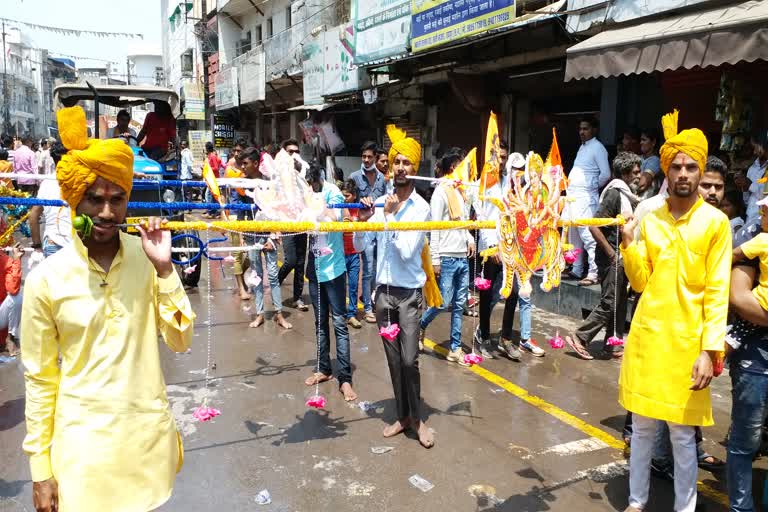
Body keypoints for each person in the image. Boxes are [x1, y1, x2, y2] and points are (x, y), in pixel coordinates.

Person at [22, 106, 195, 512]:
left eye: (117, 200)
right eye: (95, 200)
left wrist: (166, 269)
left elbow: (182, 340)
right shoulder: (46, 279)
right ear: (74, 202)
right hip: (83, 458)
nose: (106, 212)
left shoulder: (148, 260)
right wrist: (40, 469)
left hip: (145, 450)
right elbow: (40, 380)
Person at [619, 110, 730, 512]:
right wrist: (629, 243)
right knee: (644, 430)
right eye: (676, 166)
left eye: (690, 166)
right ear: (666, 171)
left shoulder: (716, 223)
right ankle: (636, 501)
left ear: (700, 172)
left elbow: (718, 292)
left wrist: (709, 349)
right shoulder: (651, 220)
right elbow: (639, 283)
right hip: (649, 339)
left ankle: (685, 508)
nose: (683, 172)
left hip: (687, 346)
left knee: (684, 436)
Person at [356, 124, 434, 449]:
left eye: (407, 163)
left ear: (415, 169)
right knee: (392, 362)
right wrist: (364, 218)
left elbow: (405, 251)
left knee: (408, 360)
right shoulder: (381, 202)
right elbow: (361, 244)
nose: (400, 167)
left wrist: (388, 218)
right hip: (383, 296)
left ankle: (418, 419)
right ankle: (403, 416)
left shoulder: (422, 208)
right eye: (397, 161)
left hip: (409, 297)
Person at [565, 153, 641, 360]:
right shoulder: (615, 193)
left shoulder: (626, 195)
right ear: (624, 173)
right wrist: (611, 253)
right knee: (610, 300)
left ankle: (612, 344)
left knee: (619, 299)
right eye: (635, 172)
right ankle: (580, 337)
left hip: (622, 253)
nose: (638, 176)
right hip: (612, 255)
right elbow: (594, 225)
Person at [304, 164, 358, 401]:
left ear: (319, 180)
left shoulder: (333, 193)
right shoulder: (307, 193)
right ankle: (324, 368)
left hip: (333, 269)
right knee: (319, 322)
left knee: (339, 323)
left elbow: (337, 217)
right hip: (314, 268)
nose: (310, 188)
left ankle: (345, 378)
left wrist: (317, 205)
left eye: (312, 184)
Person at [418, 152, 475, 364]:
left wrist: (469, 237)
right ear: (453, 168)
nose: (467, 172)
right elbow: (435, 227)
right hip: (447, 256)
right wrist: (435, 259)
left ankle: (455, 347)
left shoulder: (462, 192)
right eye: (463, 167)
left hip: (462, 255)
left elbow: (462, 222)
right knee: (443, 302)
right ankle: (420, 326)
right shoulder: (441, 192)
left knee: (459, 304)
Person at [727, 261, 768, 511]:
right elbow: (740, 299)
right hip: (755, 364)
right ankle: (741, 508)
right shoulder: (753, 239)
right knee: (744, 444)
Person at [241, 147, 293, 329]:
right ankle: (260, 313)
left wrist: (274, 234)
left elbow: (277, 210)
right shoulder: (241, 184)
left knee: (272, 276)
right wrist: (243, 234)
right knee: (256, 275)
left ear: (255, 164)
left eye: (246, 163)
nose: (243, 167)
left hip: (268, 234)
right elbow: (240, 212)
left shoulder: (270, 183)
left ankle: (279, 314)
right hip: (251, 235)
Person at [565, 117, 610, 286]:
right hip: (575, 196)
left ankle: (593, 272)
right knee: (574, 232)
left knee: (587, 234)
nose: (582, 132)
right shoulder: (583, 147)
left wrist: (591, 187)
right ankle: (576, 268)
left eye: (585, 128)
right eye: (580, 129)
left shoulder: (598, 148)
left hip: (586, 196)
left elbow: (605, 174)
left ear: (594, 130)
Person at [350, 141, 388, 324]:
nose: (366, 160)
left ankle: (372, 301)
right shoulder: (355, 177)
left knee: (376, 271)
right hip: (363, 229)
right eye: (363, 157)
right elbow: (348, 200)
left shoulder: (382, 179)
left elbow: (387, 202)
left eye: (369, 157)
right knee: (368, 270)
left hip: (379, 229)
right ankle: (367, 308)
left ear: (375, 158)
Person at [276, 138, 309, 311]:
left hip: (302, 223)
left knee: (300, 262)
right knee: (290, 260)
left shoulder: (302, 174)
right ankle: (275, 284)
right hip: (287, 223)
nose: (294, 155)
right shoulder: (279, 176)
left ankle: (297, 298)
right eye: (290, 152)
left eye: (296, 152)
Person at [29, 142, 71, 258]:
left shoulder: (46, 183)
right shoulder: (80, 182)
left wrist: (37, 246)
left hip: (52, 242)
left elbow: (33, 216)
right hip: (76, 244)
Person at [341, 179, 363, 328]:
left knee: (354, 285)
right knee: (340, 285)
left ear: (354, 196)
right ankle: (340, 312)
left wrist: (355, 224)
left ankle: (352, 314)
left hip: (354, 254)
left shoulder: (359, 210)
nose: (344, 198)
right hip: (341, 254)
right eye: (343, 195)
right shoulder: (338, 208)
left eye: (347, 195)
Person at [736, 130, 768, 228]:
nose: (754, 152)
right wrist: (745, 188)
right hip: (751, 217)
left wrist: (750, 185)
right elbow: (747, 201)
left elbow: (765, 197)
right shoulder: (752, 168)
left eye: (756, 147)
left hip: (764, 220)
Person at [0, 244, 23, 357]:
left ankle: (11, 338)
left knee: (16, 298)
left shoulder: (2, 258)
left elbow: (13, 289)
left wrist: (16, 259)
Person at [637, 128, 661, 199]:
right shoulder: (637, 157)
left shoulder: (655, 160)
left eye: (644, 140)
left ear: (653, 142)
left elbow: (642, 184)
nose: (641, 142)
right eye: (641, 140)